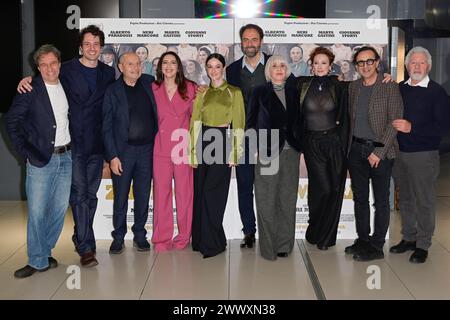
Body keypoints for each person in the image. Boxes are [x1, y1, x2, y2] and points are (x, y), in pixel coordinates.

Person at [17, 25, 116, 268]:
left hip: (97, 146)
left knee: (89, 197)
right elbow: (45, 80)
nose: (92, 48)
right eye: (87, 44)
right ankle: (86, 247)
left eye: (96, 44)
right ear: (80, 47)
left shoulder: (108, 72)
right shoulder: (67, 69)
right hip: (74, 146)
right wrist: (26, 80)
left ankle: (80, 236)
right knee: (79, 197)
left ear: (101, 47)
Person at [6, 44, 72, 278]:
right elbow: (11, 122)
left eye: (53, 63)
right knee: (36, 212)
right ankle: (36, 260)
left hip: (66, 158)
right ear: (37, 67)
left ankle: (45, 251)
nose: (49, 68)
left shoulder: (67, 84)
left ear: (60, 64)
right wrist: (25, 153)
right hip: (40, 160)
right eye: (43, 64)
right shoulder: (30, 89)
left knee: (59, 209)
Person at [390, 46, 450, 263]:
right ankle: (409, 238)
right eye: (413, 62)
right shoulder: (399, 88)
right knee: (405, 199)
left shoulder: (437, 92)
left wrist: (411, 127)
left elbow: (444, 128)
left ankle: (423, 244)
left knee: (424, 201)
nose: (416, 66)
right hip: (400, 154)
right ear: (406, 66)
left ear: (429, 66)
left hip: (424, 155)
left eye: (421, 62)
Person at [345, 46, 403, 262]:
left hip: (381, 151)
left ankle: (377, 245)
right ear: (356, 66)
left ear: (378, 62)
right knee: (360, 198)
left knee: (380, 202)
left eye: (369, 61)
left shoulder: (390, 86)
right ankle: (363, 239)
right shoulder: (353, 87)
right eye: (360, 63)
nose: (365, 66)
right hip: (356, 150)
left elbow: (394, 122)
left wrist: (378, 152)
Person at [189, 53, 245, 258]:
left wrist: (235, 153)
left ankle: (212, 243)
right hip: (202, 140)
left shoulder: (234, 92)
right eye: (210, 66)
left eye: (217, 66)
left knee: (213, 194)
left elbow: (239, 123)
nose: (214, 70)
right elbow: (195, 122)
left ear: (224, 68)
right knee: (201, 191)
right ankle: (202, 239)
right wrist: (192, 153)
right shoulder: (202, 93)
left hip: (222, 141)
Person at [102, 52, 158, 254]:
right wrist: (112, 156)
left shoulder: (149, 83)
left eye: (138, 63)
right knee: (121, 196)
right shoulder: (112, 91)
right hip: (123, 153)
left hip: (147, 151)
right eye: (131, 64)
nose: (136, 67)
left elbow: (173, 83)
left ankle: (140, 234)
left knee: (143, 195)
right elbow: (106, 127)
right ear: (121, 66)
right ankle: (118, 236)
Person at [249, 55, 302, 260]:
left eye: (282, 65)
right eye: (274, 66)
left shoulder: (295, 91)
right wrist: (255, 149)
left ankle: (284, 245)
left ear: (287, 70)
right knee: (266, 200)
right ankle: (268, 248)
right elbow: (251, 122)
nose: (279, 69)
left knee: (287, 200)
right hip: (266, 152)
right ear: (268, 71)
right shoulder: (259, 92)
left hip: (291, 152)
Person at [296, 47, 350, 251]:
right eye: (316, 63)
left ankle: (326, 238)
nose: (319, 66)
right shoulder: (301, 84)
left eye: (324, 63)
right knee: (323, 188)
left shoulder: (339, 85)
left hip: (335, 143)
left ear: (330, 66)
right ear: (311, 65)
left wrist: (385, 77)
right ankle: (314, 230)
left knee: (336, 189)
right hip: (312, 143)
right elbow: (276, 82)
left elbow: (363, 84)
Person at [226, 23, 270, 248]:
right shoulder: (232, 70)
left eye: (254, 39)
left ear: (261, 41)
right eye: (246, 40)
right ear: (241, 42)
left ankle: (269, 231)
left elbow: (293, 89)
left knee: (268, 186)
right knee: (245, 186)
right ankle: (249, 232)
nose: (250, 44)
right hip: (241, 137)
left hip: (268, 137)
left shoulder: (274, 65)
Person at [151, 51, 197, 252]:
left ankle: (184, 236)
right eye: (165, 62)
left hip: (182, 148)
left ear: (179, 66)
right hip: (159, 147)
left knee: (185, 194)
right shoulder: (153, 88)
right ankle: (162, 238)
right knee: (161, 193)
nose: (169, 66)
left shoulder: (191, 88)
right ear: (160, 67)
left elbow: (197, 120)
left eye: (173, 62)